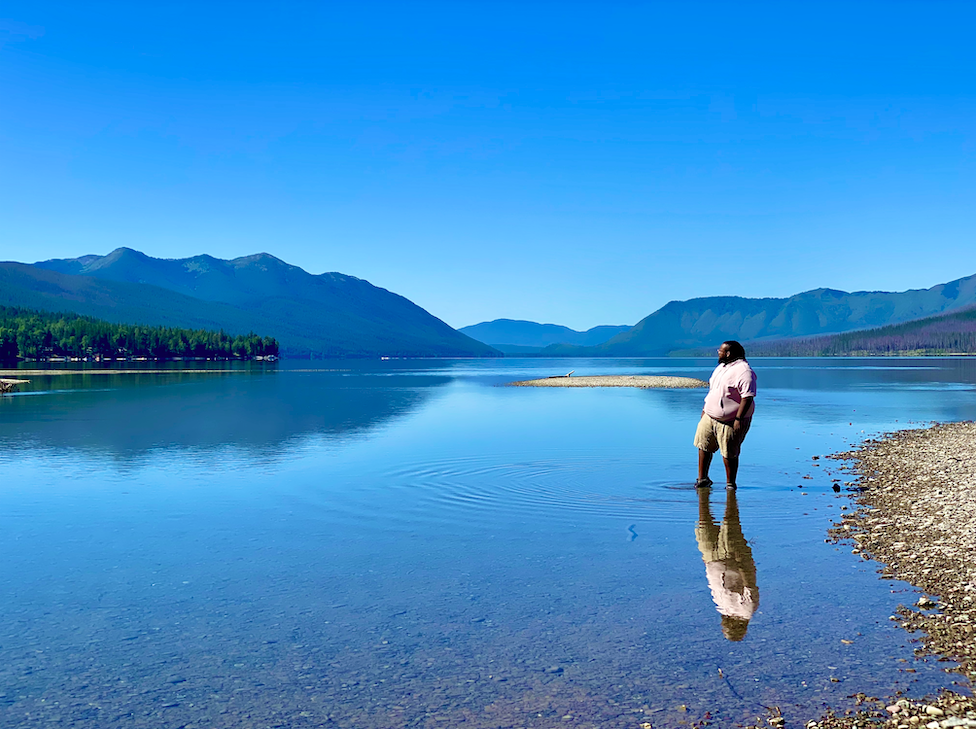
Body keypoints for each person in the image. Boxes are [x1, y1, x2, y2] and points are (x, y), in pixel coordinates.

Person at [694, 488, 759, 641]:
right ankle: (730, 493)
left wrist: (706, 565)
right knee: (730, 521)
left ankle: (715, 492)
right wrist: (740, 561)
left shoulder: (724, 610)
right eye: (726, 629)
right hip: (731, 558)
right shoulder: (747, 609)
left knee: (703, 522)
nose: (722, 627)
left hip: (711, 560)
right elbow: (749, 583)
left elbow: (716, 587)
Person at [694, 340, 756, 490]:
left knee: (729, 453)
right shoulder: (721, 367)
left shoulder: (744, 371)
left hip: (731, 420)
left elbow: (747, 397)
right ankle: (703, 479)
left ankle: (730, 485)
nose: (718, 352)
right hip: (709, 416)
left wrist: (739, 419)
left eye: (720, 350)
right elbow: (713, 391)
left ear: (728, 353)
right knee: (703, 446)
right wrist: (705, 409)